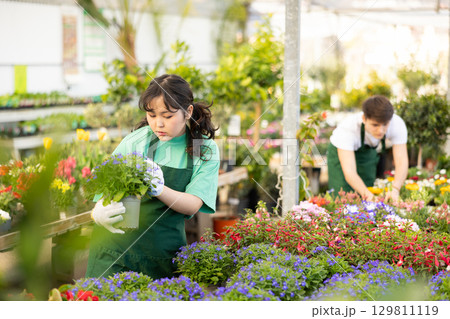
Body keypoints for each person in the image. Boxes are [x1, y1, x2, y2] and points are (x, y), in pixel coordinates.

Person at [85, 74, 220, 279]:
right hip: (113, 252)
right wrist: (98, 212)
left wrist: (159, 188)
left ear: (187, 112)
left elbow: (193, 204)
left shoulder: (204, 149)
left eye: (167, 116)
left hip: (161, 257)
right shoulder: (137, 141)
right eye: (152, 115)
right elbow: (104, 186)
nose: (158, 125)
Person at [327, 95, 408, 202]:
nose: (381, 130)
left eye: (385, 124)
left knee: (368, 189)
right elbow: (349, 172)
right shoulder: (348, 129)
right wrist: (368, 195)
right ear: (364, 119)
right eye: (375, 125)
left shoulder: (397, 124)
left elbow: (402, 161)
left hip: (366, 158)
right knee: (343, 197)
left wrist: (395, 189)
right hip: (341, 159)